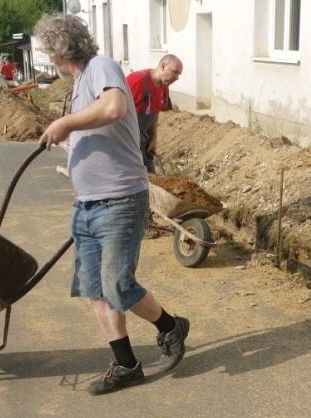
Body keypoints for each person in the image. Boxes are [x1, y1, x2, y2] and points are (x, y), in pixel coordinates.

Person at [35, 13, 190, 395]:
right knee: (95, 289)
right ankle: (126, 365)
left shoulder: (100, 67)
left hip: (119, 200)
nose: (46, 57)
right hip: (87, 203)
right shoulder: (78, 83)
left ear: (58, 49)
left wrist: (67, 124)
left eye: (47, 49)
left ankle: (171, 326)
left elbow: (115, 108)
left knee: (118, 286)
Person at [126, 55, 183, 173]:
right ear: (163, 66)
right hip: (127, 138)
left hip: (144, 138)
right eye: (175, 72)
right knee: (137, 176)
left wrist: (154, 138)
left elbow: (154, 113)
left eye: (179, 74)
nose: (177, 78)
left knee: (150, 173)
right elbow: (116, 111)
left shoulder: (164, 87)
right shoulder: (136, 81)